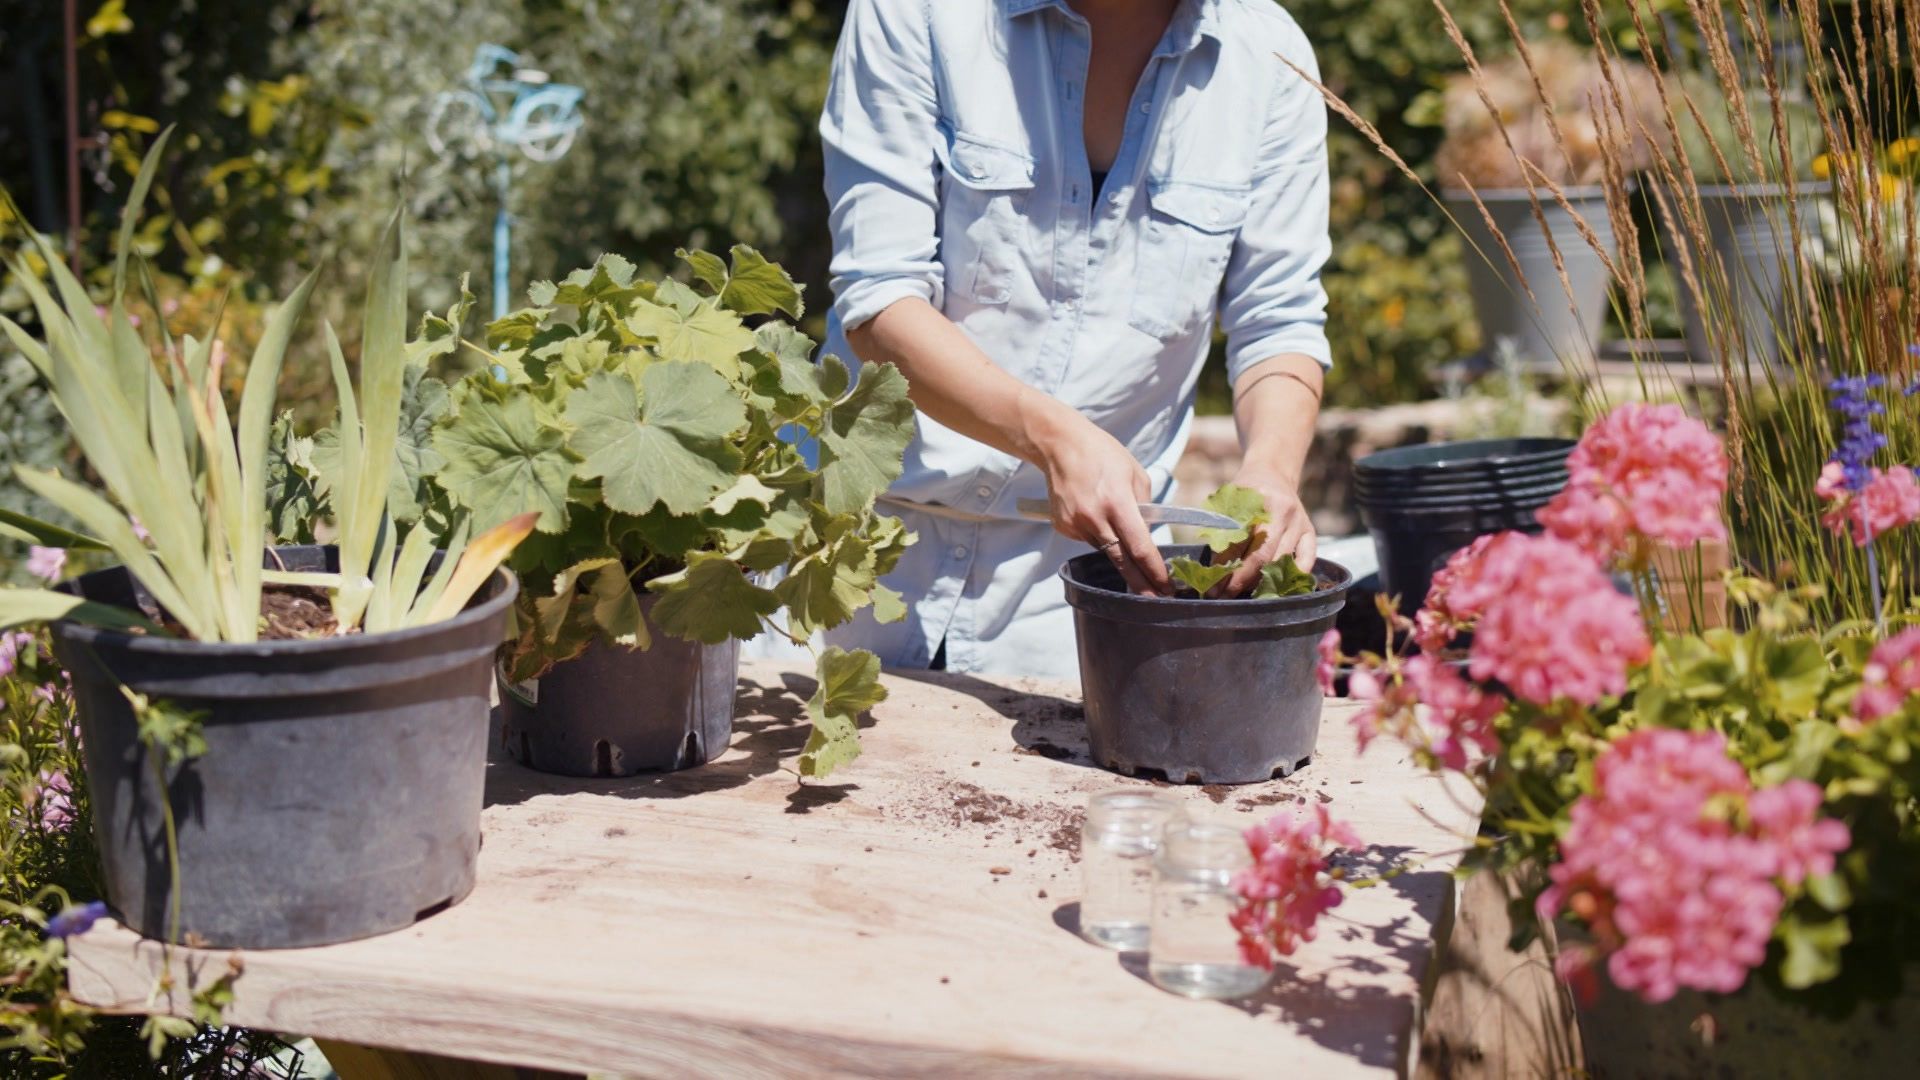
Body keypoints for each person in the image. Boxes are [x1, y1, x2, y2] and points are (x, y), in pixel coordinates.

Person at [819, 0, 1332, 680]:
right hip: (859, 571)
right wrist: (1055, 438)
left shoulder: (1269, 58)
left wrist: (1270, 470)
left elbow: (1279, 318)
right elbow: (880, 303)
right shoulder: (917, 12)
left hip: (1082, 604)